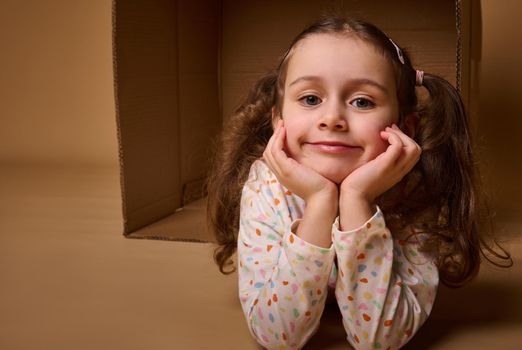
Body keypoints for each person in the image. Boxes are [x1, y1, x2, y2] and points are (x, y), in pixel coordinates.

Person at [206, 15, 512, 350]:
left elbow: (380, 339)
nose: (332, 118)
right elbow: (277, 335)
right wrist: (321, 201)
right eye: (310, 99)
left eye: (362, 102)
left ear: (404, 129)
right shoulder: (265, 185)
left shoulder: (415, 190)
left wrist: (356, 199)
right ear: (278, 120)